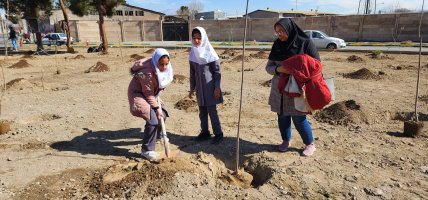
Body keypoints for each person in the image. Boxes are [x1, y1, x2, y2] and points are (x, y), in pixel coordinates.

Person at [266, 18, 320, 156]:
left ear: (290, 29)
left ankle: (309, 144)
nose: (280, 34)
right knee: (282, 116)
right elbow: (269, 67)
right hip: (280, 89)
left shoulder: (305, 43)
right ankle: (285, 140)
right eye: (277, 32)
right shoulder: (277, 45)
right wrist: (279, 69)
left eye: (282, 31)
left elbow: (316, 64)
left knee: (299, 117)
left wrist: (298, 69)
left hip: (298, 88)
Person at [128, 48, 173, 161]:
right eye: (161, 64)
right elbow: (148, 94)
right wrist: (156, 108)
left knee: (163, 114)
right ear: (156, 61)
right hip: (137, 93)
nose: (164, 67)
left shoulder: (165, 68)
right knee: (153, 118)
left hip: (150, 93)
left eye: (166, 64)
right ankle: (147, 150)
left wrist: (157, 98)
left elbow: (159, 86)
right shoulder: (147, 72)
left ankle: (156, 138)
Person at [188, 26, 224, 145]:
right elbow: (192, 73)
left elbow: (217, 73)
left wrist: (217, 88)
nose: (196, 40)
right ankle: (205, 132)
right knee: (202, 111)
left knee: (212, 111)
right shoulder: (193, 53)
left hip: (210, 88)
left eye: (199, 38)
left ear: (203, 38)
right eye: (194, 38)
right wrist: (191, 88)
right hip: (200, 89)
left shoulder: (210, 53)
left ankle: (218, 134)